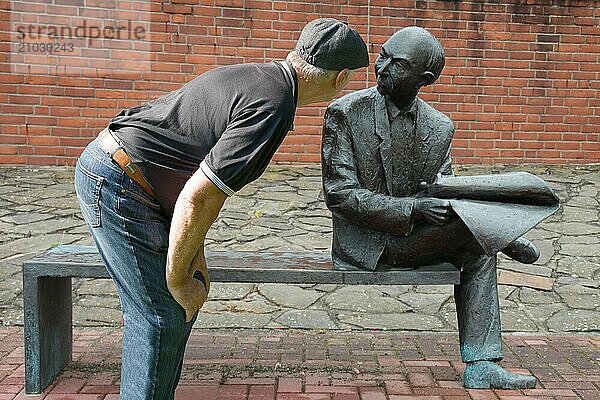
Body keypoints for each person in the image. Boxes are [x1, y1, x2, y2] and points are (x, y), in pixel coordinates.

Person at [74, 18, 368, 400]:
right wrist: (180, 277)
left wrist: (193, 259)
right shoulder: (274, 105)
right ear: (341, 78)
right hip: (120, 182)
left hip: (126, 175)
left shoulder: (260, 78)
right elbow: (201, 196)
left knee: (173, 312)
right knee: (161, 316)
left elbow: (189, 171)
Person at [321, 26, 538, 389]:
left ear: (426, 78)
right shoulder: (345, 112)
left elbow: (446, 190)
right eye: (383, 54)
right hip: (368, 242)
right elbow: (340, 194)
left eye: (397, 63)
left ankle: (482, 364)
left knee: (477, 248)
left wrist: (439, 203)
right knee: (482, 242)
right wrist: (414, 209)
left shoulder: (439, 127)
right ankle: (504, 237)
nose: (382, 66)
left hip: (416, 238)